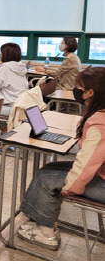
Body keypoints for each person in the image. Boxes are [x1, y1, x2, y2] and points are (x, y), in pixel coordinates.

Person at [18, 67, 105, 251]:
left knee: (46, 179)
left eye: (79, 87)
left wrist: (70, 187)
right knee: (48, 169)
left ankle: (47, 234)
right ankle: (37, 218)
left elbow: (87, 163)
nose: (76, 90)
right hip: (101, 172)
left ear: (91, 92)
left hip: (102, 183)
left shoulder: (99, 121)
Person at [0, 43, 29, 117]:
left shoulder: (4, 68)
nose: (0, 54)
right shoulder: (21, 67)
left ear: (6, 54)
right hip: (23, 104)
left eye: (1, 52)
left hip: (12, 107)